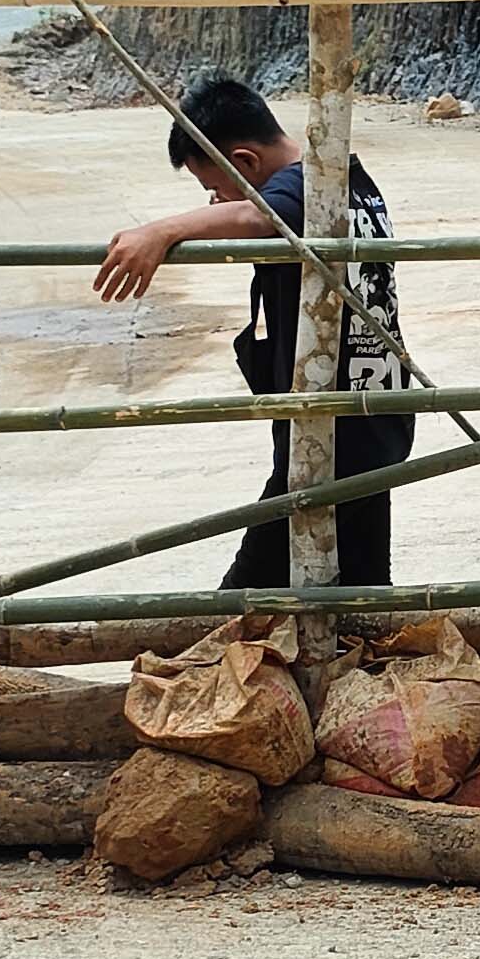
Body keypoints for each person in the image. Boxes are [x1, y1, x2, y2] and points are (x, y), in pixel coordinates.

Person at [94, 78, 413, 587]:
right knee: (361, 582)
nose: (215, 201)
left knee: (247, 596)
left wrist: (161, 231)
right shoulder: (351, 181)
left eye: (212, 189)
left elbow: (253, 214)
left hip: (332, 428)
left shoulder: (303, 191)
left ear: (245, 162)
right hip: (370, 409)